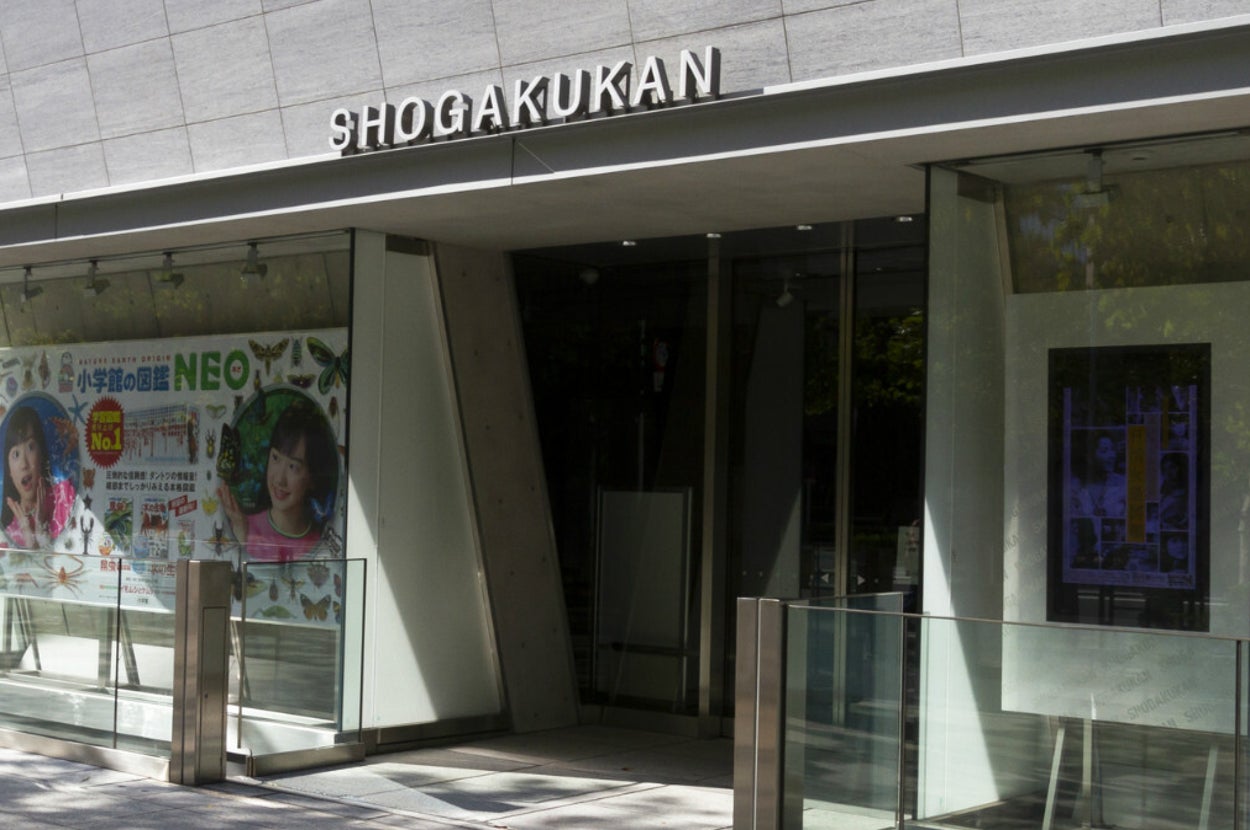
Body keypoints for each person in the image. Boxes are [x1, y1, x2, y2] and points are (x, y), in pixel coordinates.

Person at [218, 401, 337, 562]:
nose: (280, 479)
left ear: (313, 478)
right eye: (275, 458)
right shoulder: (243, 528)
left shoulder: (320, 543)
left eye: (293, 466)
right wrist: (244, 538)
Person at [2, 405, 74, 549]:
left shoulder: (65, 496)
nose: (24, 464)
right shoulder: (8, 531)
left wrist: (41, 526)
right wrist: (26, 531)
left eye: (30, 447)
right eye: (16, 454)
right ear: (9, 471)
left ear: (41, 454)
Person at [1072, 433, 1126, 518]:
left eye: (1113, 450)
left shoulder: (1124, 484)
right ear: (1090, 456)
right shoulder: (1074, 486)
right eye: (1104, 451)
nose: (1112, 455)